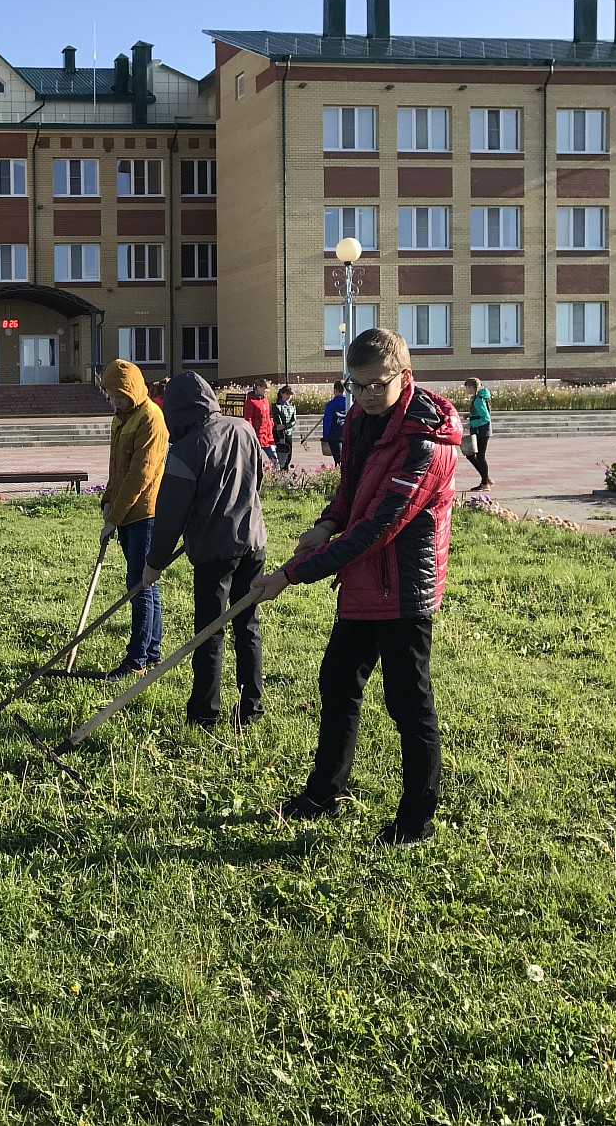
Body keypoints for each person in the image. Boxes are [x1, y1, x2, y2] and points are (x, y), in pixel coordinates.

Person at [253, 328, 461, 847]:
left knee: (408, 702)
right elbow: (352, 495)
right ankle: (325, 792)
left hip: (403, 589)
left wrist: (290, 575)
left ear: (405, 377)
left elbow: (376, 529)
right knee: (338, 682)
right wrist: (327, 523)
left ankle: (416, 823)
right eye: (356, 384)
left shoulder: (425, 443)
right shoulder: (360, 421)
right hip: (363, 585)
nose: (365, 394)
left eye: (376, 384)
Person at [142, 371, 267, 730]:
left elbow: (171, 514)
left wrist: (154, 563)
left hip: (215, 551)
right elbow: (258, 478)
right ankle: (251, 709)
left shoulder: (186, 449)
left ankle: (203, 714)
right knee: (248, 626)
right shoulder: (243, 429)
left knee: (209, 632)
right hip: (253, 541)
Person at [99, 358, 168, 680]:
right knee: (144, 585)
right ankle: (152, 652)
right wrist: (107, 501)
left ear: (133, 390)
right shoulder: (121, 418)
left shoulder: (151, 419)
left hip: (144, 514)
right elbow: (117, 468)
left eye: (119, 395)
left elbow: (140, 475)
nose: (114, 401)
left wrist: (114, 518)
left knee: (140, 586)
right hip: (125, 513)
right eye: (110, 395)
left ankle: (137, 660)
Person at [463, 377, 493, 491]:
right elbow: (478, 413)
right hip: (479, 431)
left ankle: (485, 483)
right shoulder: (477, 398)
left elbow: (485, 418)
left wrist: (471, 424)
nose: (466, 390)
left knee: (480, 457)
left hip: (482, 431)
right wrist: (469, 415)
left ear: (472, 387)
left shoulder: (478, 400)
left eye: (467, 387)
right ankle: (486, 479)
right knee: (471, 455)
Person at [242, 379, 277, 469]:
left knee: (274, 459)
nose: (267, 391)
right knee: (255, 460)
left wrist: (271, 425)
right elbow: (248, 418)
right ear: (258, 387)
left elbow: (268, 415)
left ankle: (276, 474)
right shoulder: (251, 401)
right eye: (265, 388)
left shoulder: (265, 399)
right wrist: (250, 433)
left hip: (267, 435)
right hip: (257, 435)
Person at [320, 379, 350, 465]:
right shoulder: (350, 403)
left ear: (336, 390)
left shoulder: (331, 405)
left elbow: (327, 421)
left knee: (338, 460)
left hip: (334, 435)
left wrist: (325, 436)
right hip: (347, 434)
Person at [271, 385, 298, 471]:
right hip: (279, 434)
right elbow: (278, 423)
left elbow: (294, 420)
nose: (289, 396)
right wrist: (281, 437)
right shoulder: (276, 406)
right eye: (287, 394)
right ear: (282, 394)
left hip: (288, 433)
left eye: (290, 394)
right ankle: (279, 472)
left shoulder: (292, 405)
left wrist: (286, 426)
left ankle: (285, 471)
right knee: (281, 455)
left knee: (289, 455)